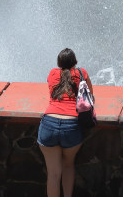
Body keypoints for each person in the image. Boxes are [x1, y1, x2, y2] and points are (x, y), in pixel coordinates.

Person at [38, 48, 91, 197]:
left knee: (53, 174)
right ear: (75, 61)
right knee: (68, 165)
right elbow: (90, 96)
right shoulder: (82, 73)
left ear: (59, 62)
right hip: (71, 125)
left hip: (49, 123)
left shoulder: (53, 73)